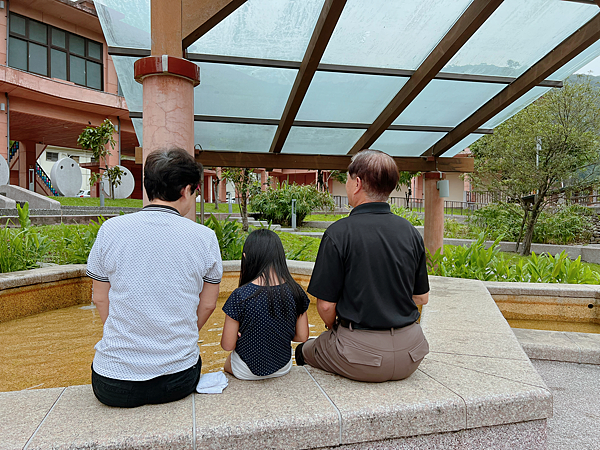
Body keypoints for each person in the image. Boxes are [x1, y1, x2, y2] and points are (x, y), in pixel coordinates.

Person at [86, 148, 223, 408]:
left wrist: (124, 335)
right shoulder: (204, 238)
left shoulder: (110, 230)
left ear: (148, 187)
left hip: (112, 383)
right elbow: (207, 305)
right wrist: (180, 337)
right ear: (186, 190)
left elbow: (100, 298)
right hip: (178, 379)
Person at [295, 149, 430, 382]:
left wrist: (335, 328)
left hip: (361, 358)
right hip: (412, 354)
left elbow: (326, 307)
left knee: (304, 350)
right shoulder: (410, 232)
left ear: (357, 183)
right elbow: (421, 298)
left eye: (347, 179)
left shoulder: (339, 232)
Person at [220, 229, 310, 380]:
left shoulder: (240, 295)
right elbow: (302, 336)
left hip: (245, 371)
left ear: (246, 257)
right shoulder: (296, 291)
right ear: (280, 256)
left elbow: (227, 345)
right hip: (283, 367)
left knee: (227, 363)